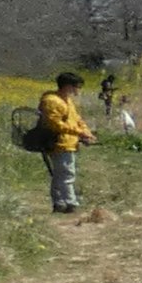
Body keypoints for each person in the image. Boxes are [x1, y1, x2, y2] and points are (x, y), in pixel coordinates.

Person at [37, 69, 91, 214]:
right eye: (76, 86)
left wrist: (86, 132)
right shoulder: (52, 101)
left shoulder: (66, 100)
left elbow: (76, 118)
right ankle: (71, 204)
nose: (78, 90)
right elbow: (54, 124)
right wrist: (79, 132)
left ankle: (59, 204)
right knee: (67, 175)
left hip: (69, 143)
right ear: (67, 86)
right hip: (59, 143)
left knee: (60, 175)